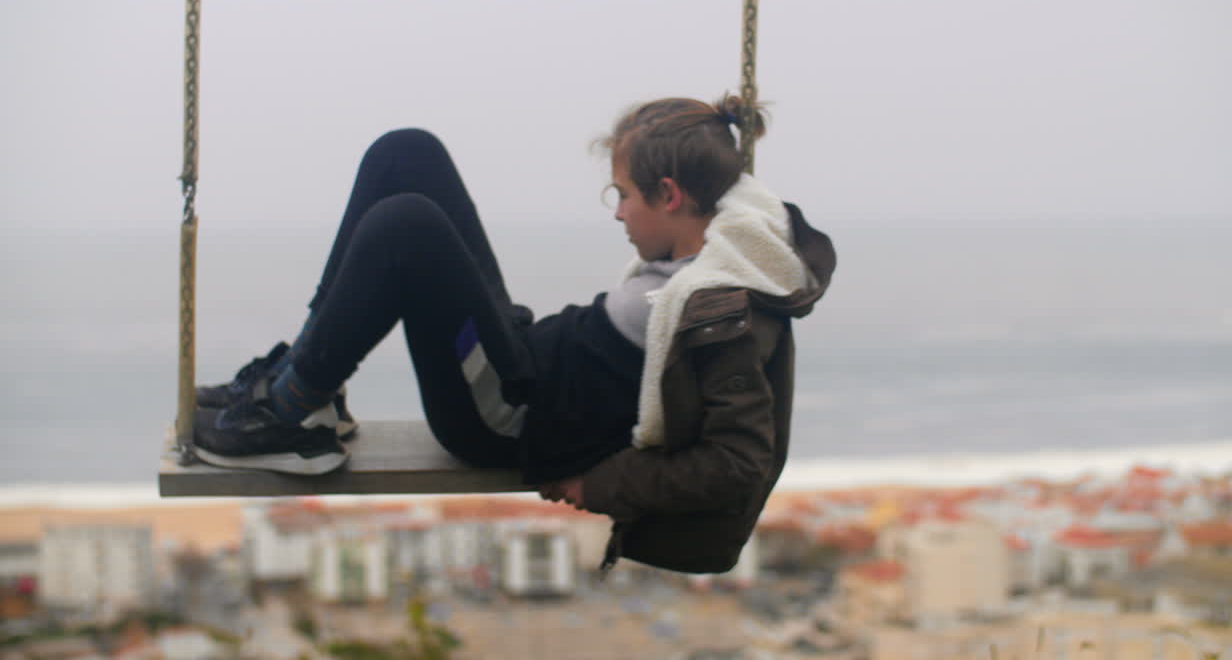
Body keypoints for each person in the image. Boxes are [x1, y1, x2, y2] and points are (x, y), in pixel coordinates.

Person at [193, 95, 836, 573]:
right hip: (529, 355)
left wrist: (604, 485)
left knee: (406, 226)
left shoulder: (724, 313)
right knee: (406, 153)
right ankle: (305, 385)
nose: (617, 213)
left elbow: (737, 463)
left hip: (507, 416)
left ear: (669, 195)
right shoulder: (719, 237)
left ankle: (286, 412)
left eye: (624, 195)